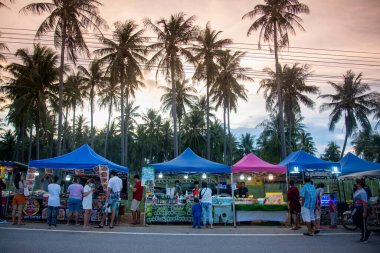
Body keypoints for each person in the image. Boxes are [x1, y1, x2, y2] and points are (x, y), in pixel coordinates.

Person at [353, 178, 372, 243]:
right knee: (354, 220)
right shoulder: (357, 190)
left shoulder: (363, 192)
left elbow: (364, 202)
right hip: (357, 209)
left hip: (362, 209)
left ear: (359, 184)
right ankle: (367, 232)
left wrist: (365, 212)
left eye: (356, 182)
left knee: (363, 223)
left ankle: (364, 238)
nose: (354, 184)